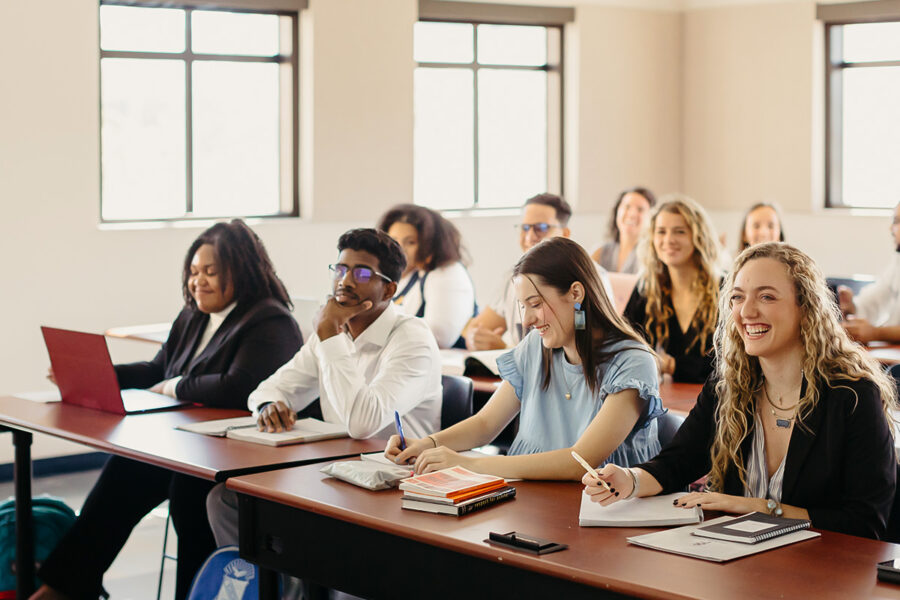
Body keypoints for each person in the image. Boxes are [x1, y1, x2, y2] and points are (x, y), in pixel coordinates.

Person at [32, 220, 303, 600]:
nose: (199, 282)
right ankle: (65, 586)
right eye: (194, 272)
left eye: (211, 272)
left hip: (236, 454)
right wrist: (100, 374)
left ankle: (192, 594)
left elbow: (240, 386)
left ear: (240, 271)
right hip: (187, 445)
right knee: (123, 474)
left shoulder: (269, 320)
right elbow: (160, 368)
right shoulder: (194, 314)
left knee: (187, 495)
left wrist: (173, 386)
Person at [583, 242, 898, 540]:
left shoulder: (853, 395)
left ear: (806, 308)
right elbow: (675, 463)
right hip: (740, 568)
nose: (746, 311)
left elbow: (866, 523)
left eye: (766, 297)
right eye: (737, 297)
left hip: (822, 577)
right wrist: (630, 480)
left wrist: (758, 509)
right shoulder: (728, 385)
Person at [207, 228, 442, 545]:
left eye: (361, 273)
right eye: (341, 270)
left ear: (388, 290)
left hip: (395, 484)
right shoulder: (332, 334)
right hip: (336, 473)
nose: (345, 282)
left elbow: (362, 424)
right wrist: (269, 406)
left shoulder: (412, 339)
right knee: (225, 500)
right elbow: (267, 390)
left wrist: (330, 335)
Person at [386, 237, 663, 480]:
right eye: (523, 306)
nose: (528, 320)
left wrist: (469, 464)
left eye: (536, 304)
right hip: (534, 497)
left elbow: (580, 462)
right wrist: (427, 444)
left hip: (605, 508)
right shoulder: (536, 347)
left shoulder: (633, 362)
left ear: (576, 293)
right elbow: (485, 425)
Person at [465, 193, 613, 351]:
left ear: (565, 233)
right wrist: (475, 339)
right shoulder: (513, 277)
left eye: (541, 228)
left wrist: (508, 349)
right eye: (525, 228)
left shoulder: (589, 276)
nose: (530, 236)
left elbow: (585, 348)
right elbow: (475, 329)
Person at [623, 195, 720, 383]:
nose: (669, 240)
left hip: (719, 399)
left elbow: (728, 362)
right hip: (670, 399)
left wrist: (670, 365)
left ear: (698, 236)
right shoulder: (647, 287)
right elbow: (626, 343)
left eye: (680, 232)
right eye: (661, 232)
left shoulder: (724, 289)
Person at [377, 204, 476, 349]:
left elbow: (439, 337)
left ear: (429, 244)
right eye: (394, 241)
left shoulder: (447, 273)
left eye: (410, 242)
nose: (399, 249)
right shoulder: (408, 275)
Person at [839, 202, 900, 344]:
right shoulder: (897, 263)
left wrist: (876, 333)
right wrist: (852, 306)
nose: (891, 229)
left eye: (897, 222)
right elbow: (876, 299)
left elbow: (874, 332)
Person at [592, 187, 656, 274]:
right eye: (627, 207)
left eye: (640, 209)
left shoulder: (652, 256)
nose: (632, 214)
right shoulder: (600, 252)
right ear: (617, 211)